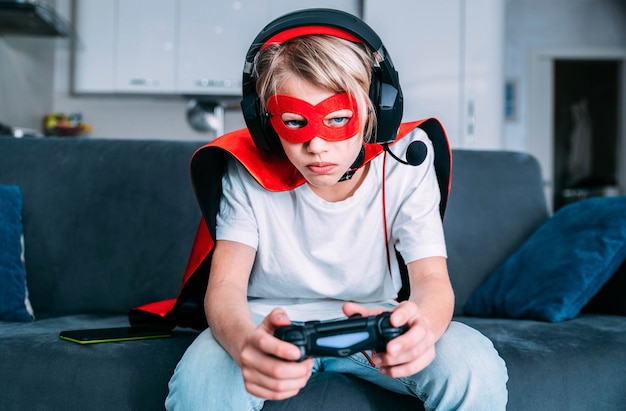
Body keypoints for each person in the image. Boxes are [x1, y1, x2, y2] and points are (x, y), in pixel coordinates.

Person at [165, 8, 508, 411]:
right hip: (266, 325)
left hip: (377, 321)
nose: (317, 146)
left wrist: (423, 327)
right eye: (294, 122)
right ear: (263, 123)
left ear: (376, 111)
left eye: (339, 119)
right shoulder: (246, 170)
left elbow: (432, 278)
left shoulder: (408, 160)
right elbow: (224, 289)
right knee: (201, 387)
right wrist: (245, 344)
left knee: (474, 366)